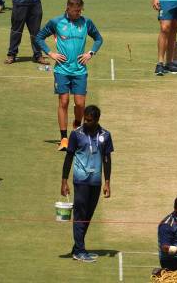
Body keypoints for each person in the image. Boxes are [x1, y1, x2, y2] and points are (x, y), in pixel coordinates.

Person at [36, 0, 103, 151]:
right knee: (64, 102)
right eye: (76, 11)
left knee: (80, 104)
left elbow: (99, 39)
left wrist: (90, 53)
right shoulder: (56, 22)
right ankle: (64, 138)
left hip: (80, 70)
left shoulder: (86, 22)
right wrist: (50, 53)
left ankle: (77, 127)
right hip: (61, 70)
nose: (78, 13)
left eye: (80, 10)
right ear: (68, 8)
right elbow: (39, 37)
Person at [60, 105, 112, 262]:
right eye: (85, 119)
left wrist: (107, 182)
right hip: (80, 181)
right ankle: (80, 251)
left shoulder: (105, 135)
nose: (86, 122)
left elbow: (107, 159)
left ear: (97, 120)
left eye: (89, 120)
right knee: (80, 215)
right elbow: (68, 157)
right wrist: (64, 181)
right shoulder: (76, 134)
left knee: (88, 215)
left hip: (96, 182)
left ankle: (77, 248)